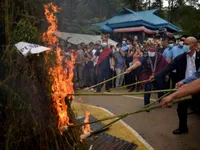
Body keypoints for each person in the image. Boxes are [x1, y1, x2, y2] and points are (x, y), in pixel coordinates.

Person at [150, 36, 200, 135]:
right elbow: (168, 67)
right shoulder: (180, 58)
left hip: (197, 86)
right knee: (181, 109)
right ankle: (183, 128)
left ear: (194, 46)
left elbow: (198, 75)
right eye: (184, 43)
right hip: (184, 88)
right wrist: (156, 76)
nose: (184, 46)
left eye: (186, 44)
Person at [126, 38, 168, 106]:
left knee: (160, 88)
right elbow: (138, 63)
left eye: (153, 45)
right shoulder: (145, 56)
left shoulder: (159, 55)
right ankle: (146, 104)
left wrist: (166, 74)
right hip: (147, 75)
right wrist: (130, 68)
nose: (151, 47)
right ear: (147, 46)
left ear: (155, 46)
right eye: (149, 45)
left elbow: (165, 65)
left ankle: (161, 101)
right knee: (147, 89)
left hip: (157, 75)